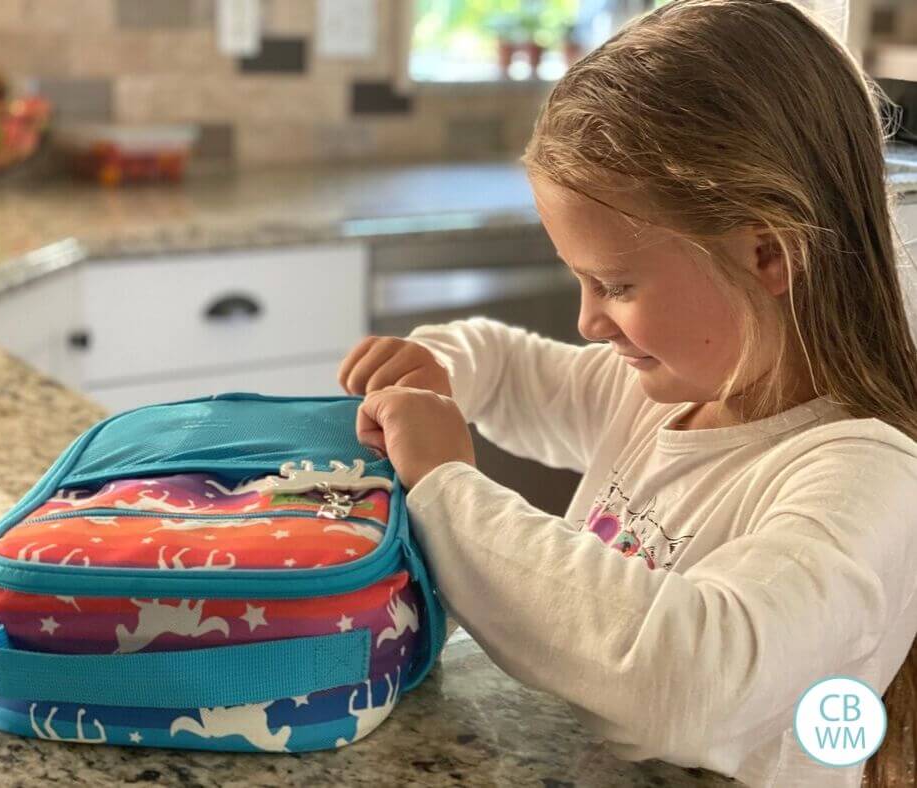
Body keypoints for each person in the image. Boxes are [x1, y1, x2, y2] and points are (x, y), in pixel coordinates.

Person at [337, 1, 917, 785]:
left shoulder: (866, 477)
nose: (588, 322)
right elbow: (505, 369)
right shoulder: (663, 394)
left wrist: (448, 490)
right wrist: (435, 368)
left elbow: (687, 680)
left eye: (614, 283)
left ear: (768, 254)